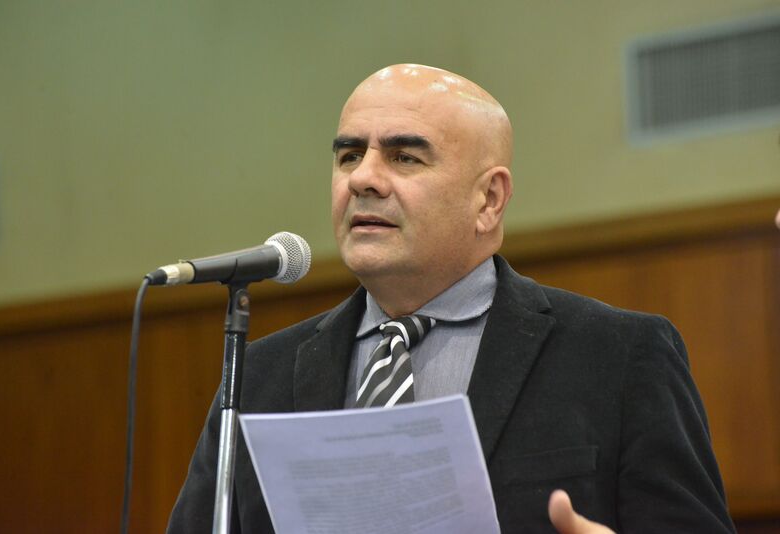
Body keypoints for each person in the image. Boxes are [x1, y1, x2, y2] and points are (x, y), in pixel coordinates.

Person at [168, 64, 735, 533]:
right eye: (349, 155)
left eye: (404, 157)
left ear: (489, 200)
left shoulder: (619, 356)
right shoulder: (256, 378)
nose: (363, 178)